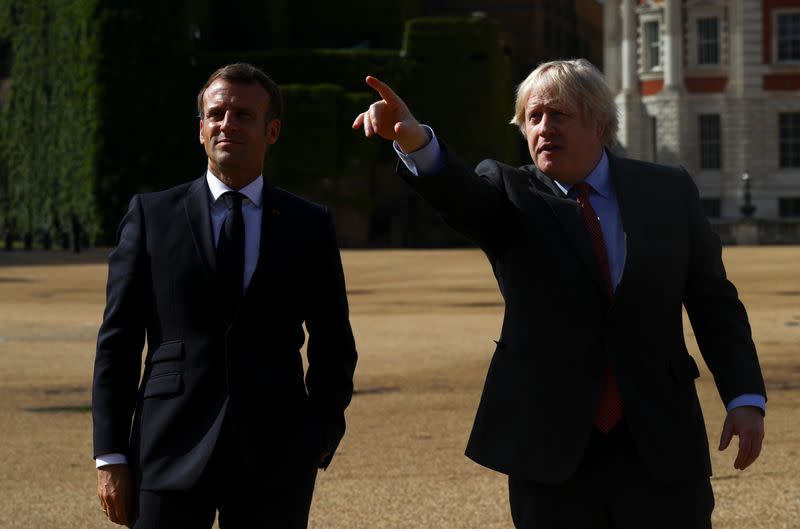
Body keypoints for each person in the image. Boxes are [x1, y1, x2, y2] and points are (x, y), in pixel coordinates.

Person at [353, 59, 766, 528]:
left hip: (659, 436)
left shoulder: (668, 191)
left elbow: (714, 302)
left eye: (559, 115)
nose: (543, 128)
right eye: (532, 117)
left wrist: (744, 397)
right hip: (550, 445)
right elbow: (462, 196)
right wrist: (415, 141)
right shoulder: (508, 190)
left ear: (600, 122)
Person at [93, 62, 357, 529]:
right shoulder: (152, 216)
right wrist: (109, 455)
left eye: (243, 115)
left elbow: (335, 340)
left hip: (276, 454)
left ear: (271, 130)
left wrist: (321, 427)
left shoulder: (309, 224)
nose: (227, 124)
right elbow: (118, 342)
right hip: (166, 447)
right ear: (200, 129)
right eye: (216, 114)